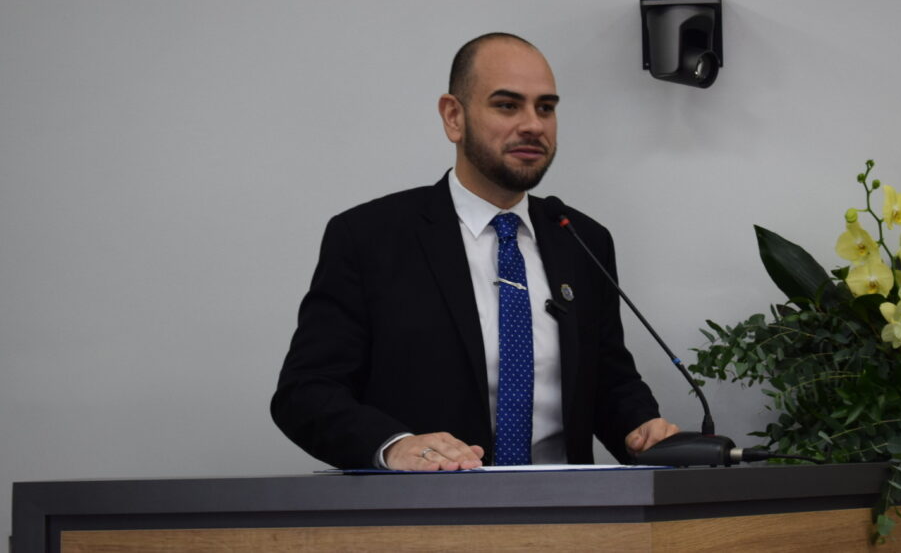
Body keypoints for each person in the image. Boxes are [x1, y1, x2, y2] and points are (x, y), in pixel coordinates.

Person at [271, 32, 679, 470]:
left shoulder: (581, 239)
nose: (533, 125)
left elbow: (606, 381)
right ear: (453, 117)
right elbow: (306, 393)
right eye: (507, 105)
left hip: (568, 515)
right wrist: (393, 446)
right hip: (426, 517)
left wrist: (641, 427)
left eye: (546, 108)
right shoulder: (369, 237)